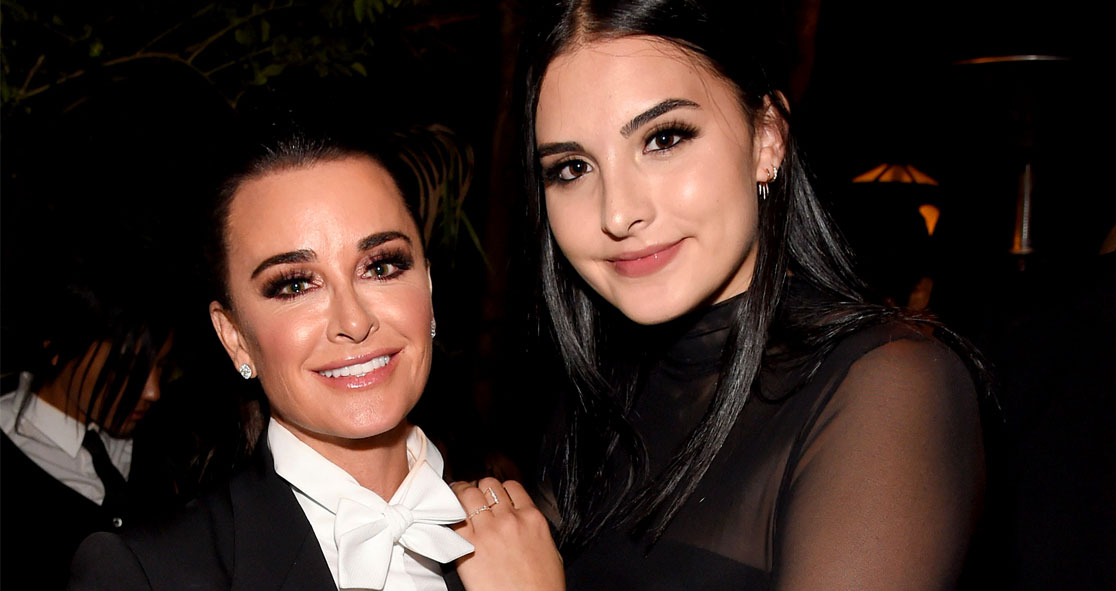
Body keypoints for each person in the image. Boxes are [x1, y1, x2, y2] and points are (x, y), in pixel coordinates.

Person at [517, 1, 988, 588]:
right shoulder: (595, 399)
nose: (617, 213)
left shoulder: (889, 385)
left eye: (664, 139)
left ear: (766, 137)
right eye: (572, 168)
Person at [68, 110, 563, 590]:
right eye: (295, 285)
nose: (354, 322)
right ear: (234, 336)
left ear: (428, 287)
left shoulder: (543, 535)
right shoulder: (145, 575)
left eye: (381, 267)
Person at [1, 260, 174, 591]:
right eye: (128, 369)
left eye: (162, 366)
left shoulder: (166, 437)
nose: (153, 391)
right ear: (58, 348)